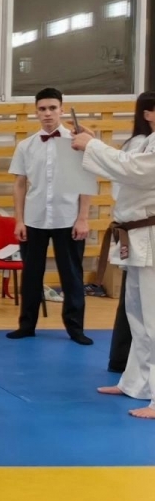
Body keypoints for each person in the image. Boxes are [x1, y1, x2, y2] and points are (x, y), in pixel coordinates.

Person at [72, 91, 155, 420]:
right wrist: (93, 143)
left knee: (153, 318)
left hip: (150, 235)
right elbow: (123, 167)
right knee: (138, 317)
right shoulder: (145, 142)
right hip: (136, 235)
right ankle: (136, 383)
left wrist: (92, 146)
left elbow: (134, 170)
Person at [6, 88, 93, 345]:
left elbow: (86, 182)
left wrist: (83, 218)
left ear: (62, 110)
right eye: (42, 109)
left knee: (72, 275)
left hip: (68, 218)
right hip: (35, 219)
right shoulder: (26, 146)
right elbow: (19, 184)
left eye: (52, 108)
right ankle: (26, 325)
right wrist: (19, 220)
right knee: (31, 275)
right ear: (36, 112)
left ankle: (75, 329)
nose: (47, 113)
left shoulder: (78, 143)